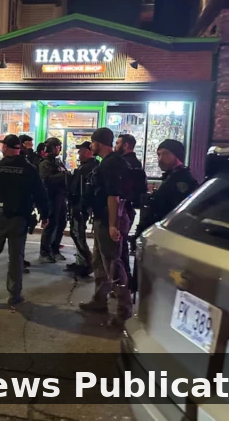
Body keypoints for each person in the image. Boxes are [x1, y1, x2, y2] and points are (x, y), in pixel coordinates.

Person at [0, 135, 49, 306]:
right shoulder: (29, 169)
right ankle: (14, 294)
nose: (1, 148)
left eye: (3, 146)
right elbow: (40, 194)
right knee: (16, 257)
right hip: (20, 218)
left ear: (7, 148)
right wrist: (45, 215)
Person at [79, 127, 132, 327]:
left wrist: (112, 225)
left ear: (99, 143)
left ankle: (123, 312)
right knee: (99, 262)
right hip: (103, 218)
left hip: (110, 219)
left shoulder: (110, 164)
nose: (90, 146)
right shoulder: (111, 162)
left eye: (92, 142)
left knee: (113, 265)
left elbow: (114, 197)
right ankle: (99, 300)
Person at [135, 139, 199, 238]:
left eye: (165, 154)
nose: (160, 159)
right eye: (159, 154)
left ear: (177, 155)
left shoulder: (182, 180)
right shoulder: (171, 177)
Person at [114, 133, 146, 283]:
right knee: (121, 245)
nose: (115, 146)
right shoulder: (134, 162)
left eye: (118, 143)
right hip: (127, 208)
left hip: (123, 208)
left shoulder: (125, 163)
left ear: (126, 145)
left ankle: (123, 280)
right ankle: (124, 279)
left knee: (118, 247)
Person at [66, 141, 99, 278]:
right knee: (77, 233)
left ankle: (88, 263)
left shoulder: (91, 167)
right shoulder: (86, 166)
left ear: (89, 152)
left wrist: (82, 206)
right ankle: (82, 262)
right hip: (78, 205)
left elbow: (84, 190)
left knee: (78, 234)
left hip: (81, 206)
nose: (79, 153)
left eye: (81, 150)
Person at [38, 137, 68, 263]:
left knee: (62, 223)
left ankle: (55, 248)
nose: (58, 149)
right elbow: (46, 181)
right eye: (56, 146)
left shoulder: (58, 162)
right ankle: (44, 252)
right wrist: (63, 176)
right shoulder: (45, 164)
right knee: (51, 225)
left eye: (59, 146)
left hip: (61, 198)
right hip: (51, 198)